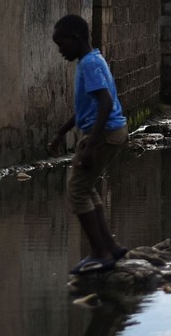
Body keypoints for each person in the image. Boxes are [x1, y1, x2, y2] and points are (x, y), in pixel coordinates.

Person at [48, 14, 129, 275]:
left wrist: (91, 147)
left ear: (76, 39)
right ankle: (111, 247)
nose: (60, 51)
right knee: (86, 186)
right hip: (108, 131)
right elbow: (87, 106)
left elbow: (105, 103)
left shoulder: (90, 64)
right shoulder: (91, 60)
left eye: (62, 45)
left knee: (77, 191)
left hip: (105, 133)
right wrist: (62, 132)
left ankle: (100, 254)